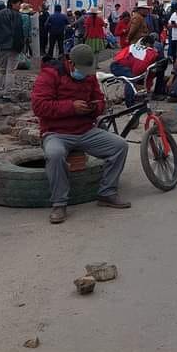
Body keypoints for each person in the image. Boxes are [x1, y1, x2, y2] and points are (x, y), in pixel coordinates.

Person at [31, 44, 131, 224]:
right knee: (55, 154)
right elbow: (39, 107)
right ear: (70, 63)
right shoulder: (49, 75)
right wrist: (72, 107)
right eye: (81, 70)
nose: (84, 74)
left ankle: (107, 192)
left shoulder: (89, 76)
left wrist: (94, 107)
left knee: (119, 146)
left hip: (86, 130)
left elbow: (100, 100)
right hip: (56, 132)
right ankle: (59, 203)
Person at [109, 33, 164, 103]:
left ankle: (131, 98)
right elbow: (138, 72)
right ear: (148, 44)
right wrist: (146, 88)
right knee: (131, 80)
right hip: (118, 66)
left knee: (133, 78)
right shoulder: (149, 54)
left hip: (116, 64)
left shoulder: (134, 46)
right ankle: (130, 103)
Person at [0, 0, 25, 97]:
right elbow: (18, 32)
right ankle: (8, 92)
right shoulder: (16, 15)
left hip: (1, 46)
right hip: (13, 46)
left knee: (1, 69)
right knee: (10, 71)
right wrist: (20, 46)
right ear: (12, 3)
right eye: (18, 4)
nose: (20, 6)